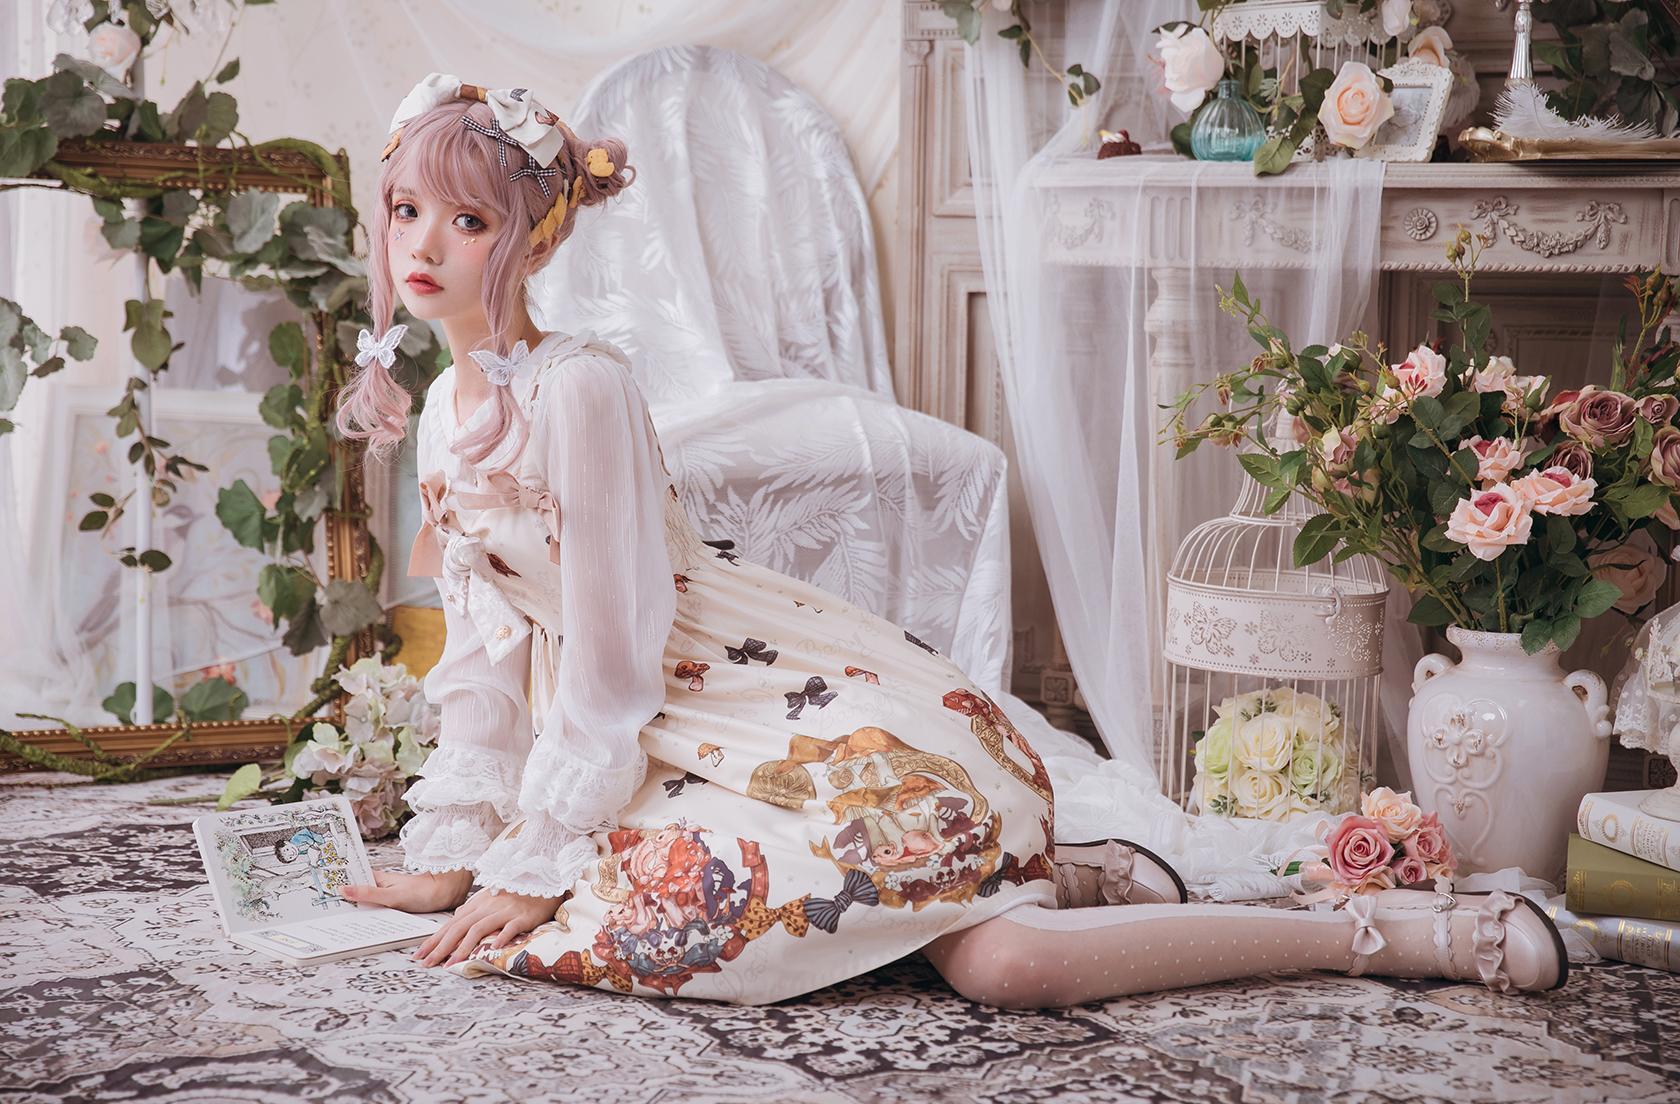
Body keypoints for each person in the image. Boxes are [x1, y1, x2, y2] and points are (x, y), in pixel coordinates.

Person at [333, 73, 1569, 1007]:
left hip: (732, 689)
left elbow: (612, 656)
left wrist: (535, 859)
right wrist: (462, 842)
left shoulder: (582, 388)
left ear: (539, 235)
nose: (423, 247)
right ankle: (1077, 870)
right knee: (681, 922)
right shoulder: (444, 410)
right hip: (649, 743)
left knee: (994, 964)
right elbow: (489, 646)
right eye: (405, 211)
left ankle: (1375, 936)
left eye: (468, 220)